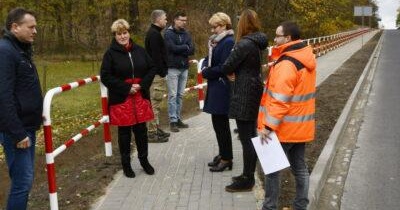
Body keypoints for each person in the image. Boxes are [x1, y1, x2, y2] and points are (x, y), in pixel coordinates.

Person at [258, 21, 316, 210]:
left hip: (284, 128)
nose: (274, 39)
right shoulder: (305, 56)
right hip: (301, 126)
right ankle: (301, 206)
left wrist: (268, 127)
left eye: (277, 36)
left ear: (288, 38)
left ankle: (269, 207)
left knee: (272, 170)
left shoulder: (287, 63)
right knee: (299, 168)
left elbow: (280, 100)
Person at [100, 19, 157, 178]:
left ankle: (144, 161)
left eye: (125, 33)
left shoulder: (140, 50)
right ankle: (126, 165)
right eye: (119, 34)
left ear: (129, 33)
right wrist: (126, 88)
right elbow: (105, 76)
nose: (123, 36)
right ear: (115, 36)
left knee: (141, 132)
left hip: (140, 96)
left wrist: (142, 85)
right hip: (122, 98)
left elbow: (152, 68)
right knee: (124, 134)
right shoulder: (110, 54)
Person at [0, 7, 42, 210]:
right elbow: (3, 96)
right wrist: (17, 133)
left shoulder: (20, 50)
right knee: (22, 183)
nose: (35, 31)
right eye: (31, 27)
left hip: (27, 127)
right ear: (15, 27)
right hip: (17, 131)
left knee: (25, 181)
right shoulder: (5, 51)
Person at [221, 9, 268, 192]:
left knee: (247, 138)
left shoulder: (244, 44)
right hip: (254, 89)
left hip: (244, 93)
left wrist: (231, 72)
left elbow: (227, 65)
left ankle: (248, 179)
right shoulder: (258, 42)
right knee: (251, 135)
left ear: (242, 24)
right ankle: (247, 174)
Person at [201, 12, 235, 172]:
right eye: (212, 27)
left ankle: (227, 158)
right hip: (216, 85)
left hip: (222, 87)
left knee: (222, 125)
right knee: (217, 123)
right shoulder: (217, 41)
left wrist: (207, 72)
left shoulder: (228, 42)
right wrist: (204, 66)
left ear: (224, 25)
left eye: (215, 27)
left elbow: (224, 66)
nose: (213, 30)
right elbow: (210, 59)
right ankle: (223, 154)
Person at [164, 11, 195, 132]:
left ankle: (178, 118)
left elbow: (192, 49)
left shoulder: (186, 33)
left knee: (180, 95)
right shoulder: (168, 34)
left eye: (185, 20)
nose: (184, 22)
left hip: (184, 68)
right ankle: (173, 121)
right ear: (175, 20)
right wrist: (185, 47)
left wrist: (182, 48)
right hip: (173, 68)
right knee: (172, 95)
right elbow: (171, 48)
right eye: (181, 20)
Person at [145, 9, 170, 143]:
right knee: (155, 104)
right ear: (158, 19)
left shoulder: (155, 33)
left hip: (156, 74)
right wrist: (162, 72)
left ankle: (156, 128)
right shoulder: (154, 35)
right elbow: (156, 57)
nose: (166, 20)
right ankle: (152, 133)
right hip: (156, 75)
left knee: (157, 103)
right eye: (165, 18)